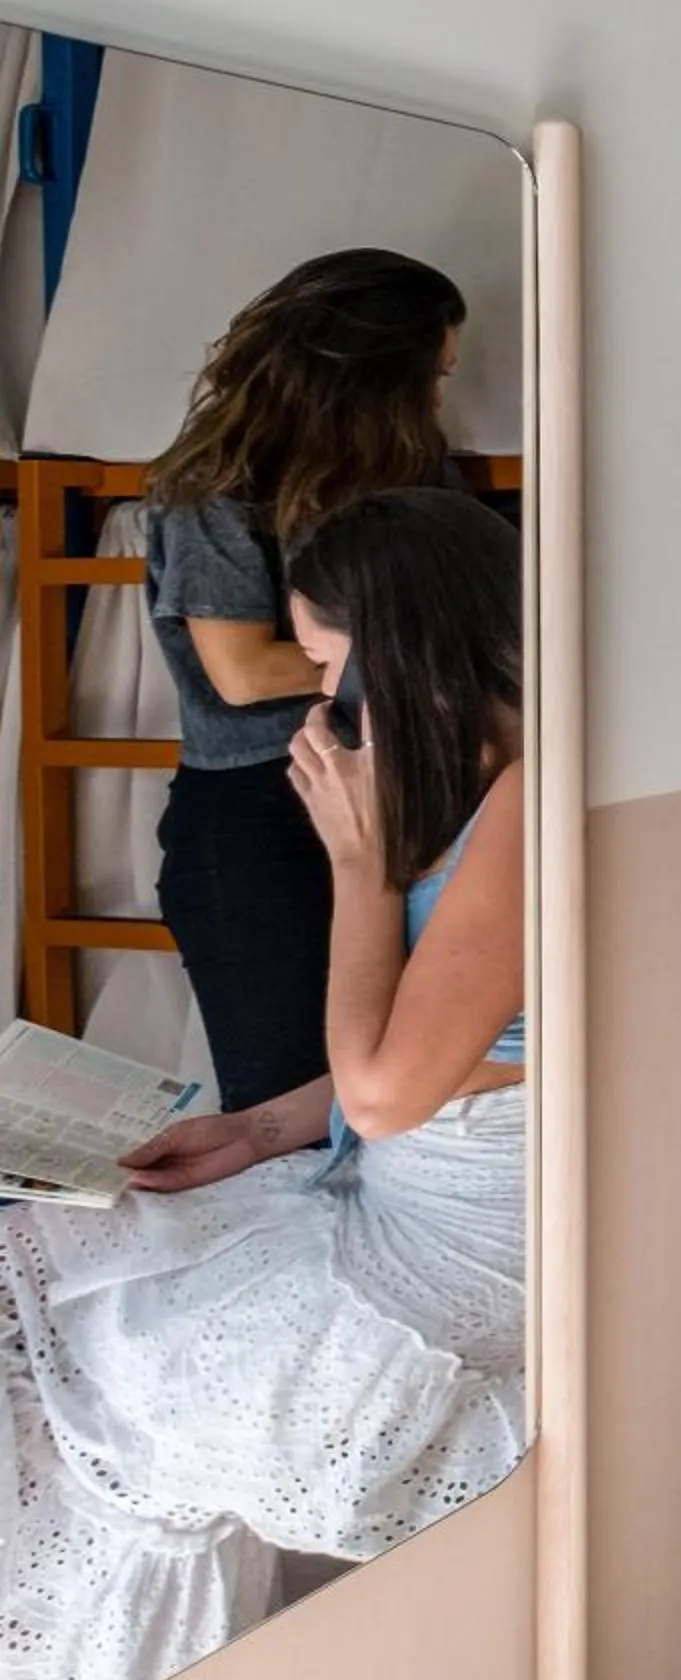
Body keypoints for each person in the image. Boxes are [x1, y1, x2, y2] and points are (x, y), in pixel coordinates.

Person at [0, 488, 528, 1680]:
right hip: (398, 1184)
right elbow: (436, 1068)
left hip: (448, 1246)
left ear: (406, 646)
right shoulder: (475, 774)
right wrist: (255, 1132)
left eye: (335, 665)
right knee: (40, 1268)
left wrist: (357, 868)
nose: (322, 700)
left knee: (76, 1378)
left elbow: (399, 1086)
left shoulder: (527, 797)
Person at [144, 247, 470, 1113]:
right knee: (285, 1111)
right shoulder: (212, 488)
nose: (439, 401)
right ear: (371, 373)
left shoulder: (419, 475)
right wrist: (427, 665)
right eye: (429, 378)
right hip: (256, 821)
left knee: (401, 1103)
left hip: (405, 795)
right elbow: (243, 673)